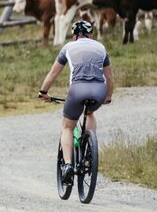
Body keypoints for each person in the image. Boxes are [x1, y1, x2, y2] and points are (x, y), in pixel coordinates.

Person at [38, 19, 114, 185]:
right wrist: (108, 96)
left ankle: (67, 165)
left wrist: (43, 91)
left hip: (77, 89)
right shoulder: (100, 47)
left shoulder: (68, 47)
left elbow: (53, 74)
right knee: (89, 111)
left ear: (74, 36)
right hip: (99, 90)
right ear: (90, 34)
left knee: (67, 127)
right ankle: (90, 149)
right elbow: (109, 77)